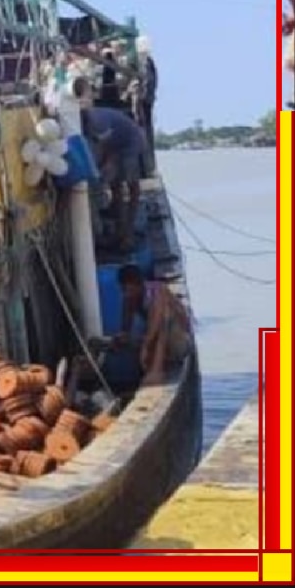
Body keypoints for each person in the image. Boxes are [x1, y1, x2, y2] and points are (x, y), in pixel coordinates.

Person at [81, 106, 148, 253]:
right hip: (115, 142)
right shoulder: (88, 123)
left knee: (132, 188)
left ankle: (128, 232)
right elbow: (103, 148)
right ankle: (119, 227)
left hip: (131, 142)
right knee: (114, 185)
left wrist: (105, 166)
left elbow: (107, 149)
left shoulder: (98, 122)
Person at [116, 264, 193, 387]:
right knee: (136, 338)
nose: (126, 294)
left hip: (179, 342)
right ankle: (152, 366)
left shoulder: (158, 291)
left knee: (163, 318)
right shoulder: (129, 299)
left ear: (139, 285)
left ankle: (156, 371)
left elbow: (156, 324)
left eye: (129, 290)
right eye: (123, 290)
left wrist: (145, 347)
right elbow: (126, 328)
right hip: (159, 341)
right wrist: (122, 337)